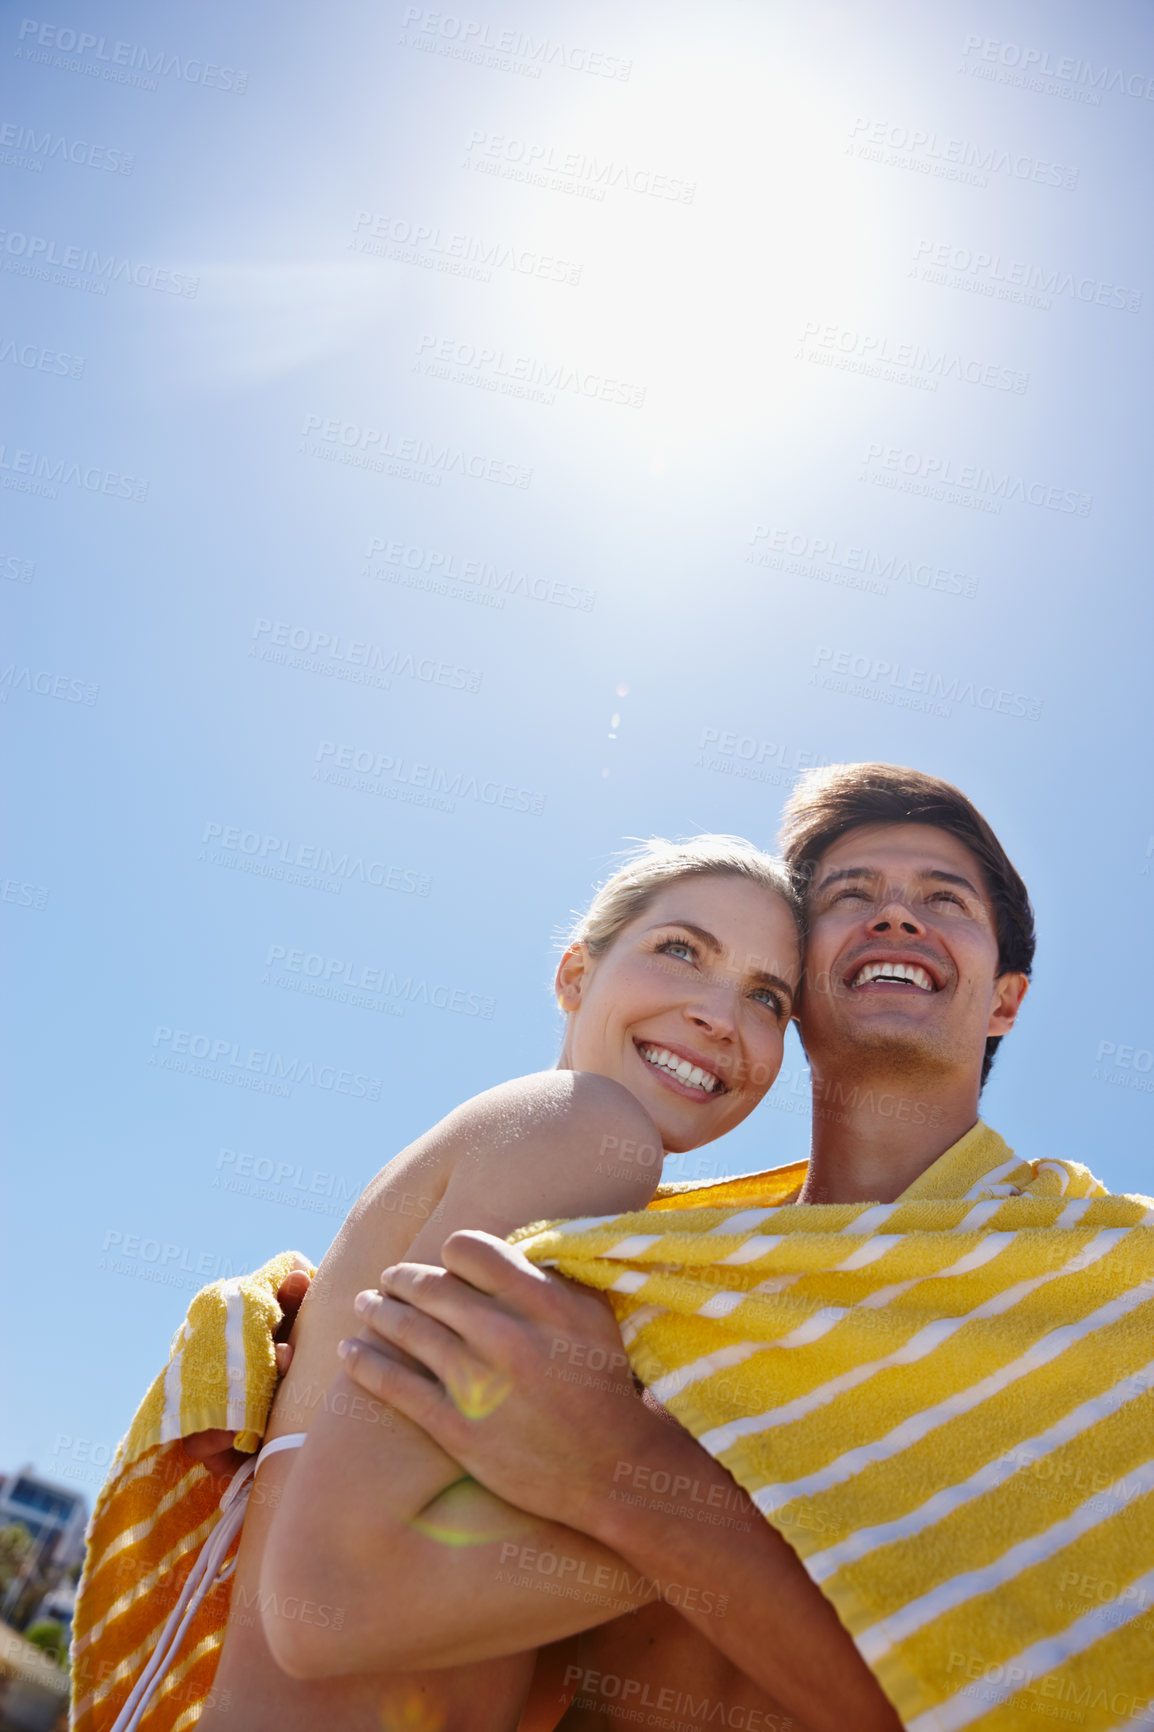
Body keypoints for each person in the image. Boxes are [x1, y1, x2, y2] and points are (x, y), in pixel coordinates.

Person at [327, 762, 1047, 1729]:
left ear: (1005, 1001)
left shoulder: (1100, 1288)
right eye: (850, 896)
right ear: (801, 1001)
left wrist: (623, 1471)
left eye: (942, 898)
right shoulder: (634, 1257)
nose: (897, 917)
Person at [181, 835, 805, 1731]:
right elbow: (332, 1605)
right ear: (574, 975)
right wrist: (771, 1510)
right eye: (681, 951)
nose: (719, 1014)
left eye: (767, 997)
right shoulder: (588, 1130)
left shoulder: (579, 1208)